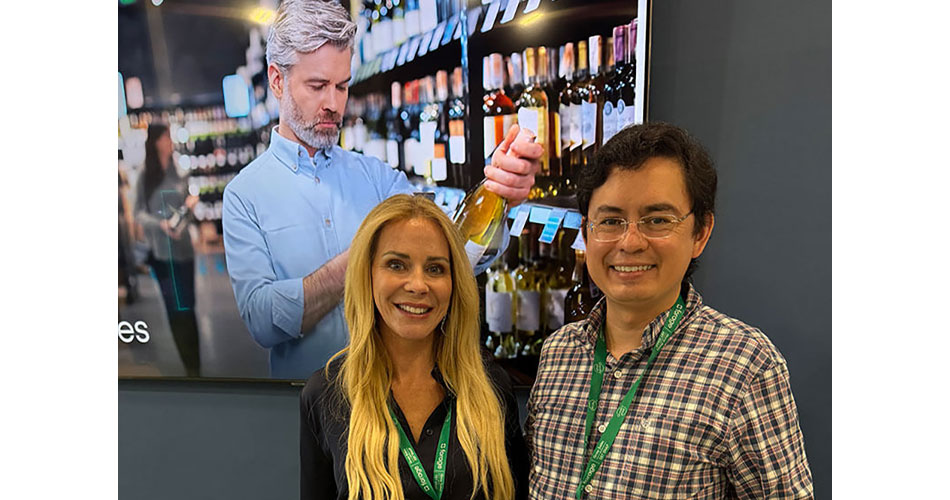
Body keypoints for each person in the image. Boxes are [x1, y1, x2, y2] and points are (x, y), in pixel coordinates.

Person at [222, 0, 540, 379]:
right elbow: (263, 321)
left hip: (395, 405)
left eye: (342, 86)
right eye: (317, 86)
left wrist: (498, 197)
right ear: (277, 80)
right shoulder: (244, 195)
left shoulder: (379, 178)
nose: (333, 104)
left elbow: (455, 258)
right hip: (304, 412)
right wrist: (369, 252)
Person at [524, 122, 813, 498]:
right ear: (586, 231)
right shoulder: (558, 354)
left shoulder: (745, 367)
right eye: (610, 221)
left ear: (700, 233)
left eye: (657, 220)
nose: (629, 242)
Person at [300, 194, 528, 500]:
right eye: (397, 265)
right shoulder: (325, 393)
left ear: (454, 282)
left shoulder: (491, 387)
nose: (418, 285)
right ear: (367, 274)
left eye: (435, 269)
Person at [134, 123, 201, 377]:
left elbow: (187, 210)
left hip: (183, 250)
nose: (169, 141)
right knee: (174, 309)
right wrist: (159, 224)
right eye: (165, 137)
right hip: (162, 255)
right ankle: (188, 364)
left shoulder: (180, 172)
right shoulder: (145, 176)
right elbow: (139, 212)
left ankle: (195, 365)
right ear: (155, 141)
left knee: (189, 307)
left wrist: (189, 211)